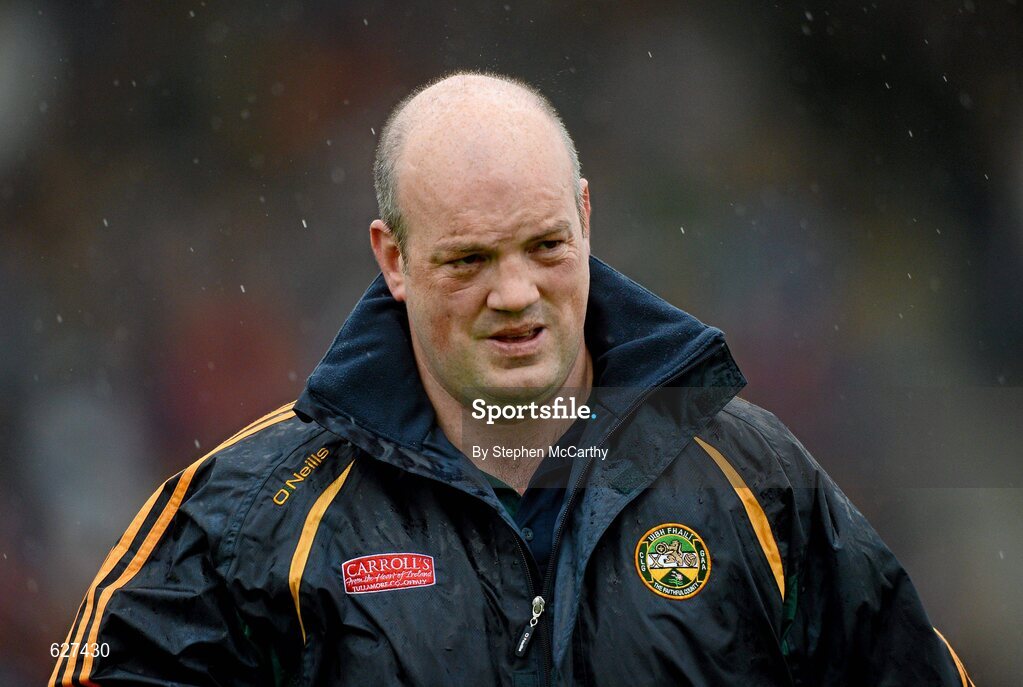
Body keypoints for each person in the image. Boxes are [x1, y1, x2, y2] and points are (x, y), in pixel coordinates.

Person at [49, 71, 975, 686]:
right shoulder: (247, 515)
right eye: (468, 260)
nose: (516, 294)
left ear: (585, 217)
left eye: (543, 246)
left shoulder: (756, 481)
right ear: (394, 258)